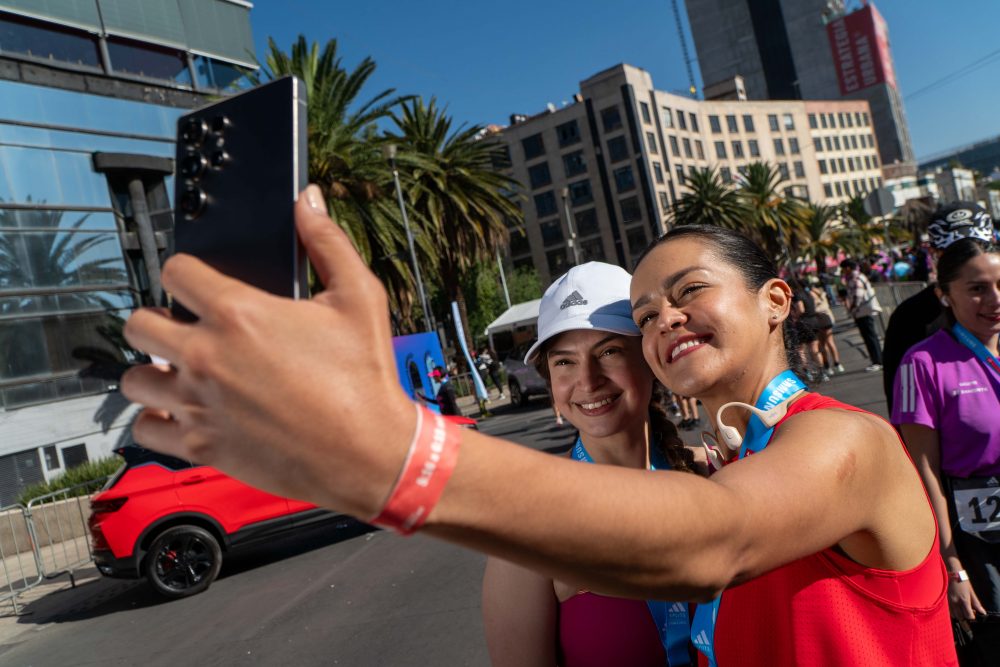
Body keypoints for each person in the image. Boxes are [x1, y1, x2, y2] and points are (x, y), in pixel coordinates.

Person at [121, 188, 957, 665]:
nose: (666, 318)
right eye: (646, 313)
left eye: (689, 291)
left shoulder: (845, 439)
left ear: (776, 300)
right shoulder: (738, 460)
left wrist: (397, 453)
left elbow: (717, 540)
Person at [482, 262, 698, 667]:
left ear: (650, 358)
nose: (588, 379)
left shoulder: (715, 473)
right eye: (564, 362)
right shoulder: (527, 530)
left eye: (609, 352)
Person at [892, 238, 1000, 664]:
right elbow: (925, 475)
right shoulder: (922, 364)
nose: (995, 299)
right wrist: (952, 566)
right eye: (977, 289)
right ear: (944, 294)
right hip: (979, 545)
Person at [882, 202, 996, 414]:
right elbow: (901, 407)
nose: (972, 259)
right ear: (935, 255)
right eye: (956, 255)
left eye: (981, 247)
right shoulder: (910, 317)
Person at [840, 258, 884, 372]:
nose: (843, 271)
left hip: (863, 311)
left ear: (848, 268)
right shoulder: (858, 276)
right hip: (864, 311)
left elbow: (858, 295)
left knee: (870, 337)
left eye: (843, 269)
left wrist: (852, 309)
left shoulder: (855, 278)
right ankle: (878, 360)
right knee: (871, 337)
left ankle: (877, 361)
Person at [807, 275, 844, 374]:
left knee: (822, 344)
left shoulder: (811, 294)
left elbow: (813, 309)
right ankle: (837, 363)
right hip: (828, 317)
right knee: (830, 342)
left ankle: (827, 366)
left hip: (819, 319)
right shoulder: (822, 292)